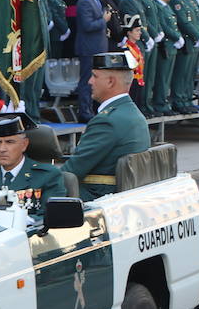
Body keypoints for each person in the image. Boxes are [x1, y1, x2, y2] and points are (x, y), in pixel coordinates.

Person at [60, 53, 151, 200]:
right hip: (118, 196)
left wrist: (35, 184)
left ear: (110, 82)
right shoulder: (132, 113)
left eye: (95, 76)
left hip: (95, 198)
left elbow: (72, 171)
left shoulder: (107, 121)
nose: (90, 81)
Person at [0, 112, 65, 216]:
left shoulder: (47, 175)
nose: (2, 149)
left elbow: (50, 218)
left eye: (9, 142)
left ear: (24, 144)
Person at [74, 0, 108, 121]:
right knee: (87, 80)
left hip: (97, 47)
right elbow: (87, 25)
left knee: (96, 80)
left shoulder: (96, 0)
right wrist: (104, 20)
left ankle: (92, 109)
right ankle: (84, 111)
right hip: (89, 48)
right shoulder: (85, 1)